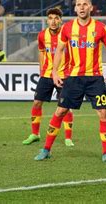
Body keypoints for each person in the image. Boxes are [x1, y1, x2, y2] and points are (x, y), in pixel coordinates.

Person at [34, 0, 106, 164]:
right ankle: (46, 149)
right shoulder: (67, 28)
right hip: (73, 78)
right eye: (78, 5)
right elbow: (59, 50)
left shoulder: (101, 28)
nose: (81, 7)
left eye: (85, 4)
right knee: (60, 111)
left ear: (91, 7)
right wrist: (55, 72)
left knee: (103, 114)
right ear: (75, 9)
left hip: (95, 78)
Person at [23, 8, 75, 147]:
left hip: (63, 75)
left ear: (60, 20)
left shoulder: (67, 34)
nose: (53, 21)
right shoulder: (41, 35)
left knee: (65, 107)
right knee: (36, 103)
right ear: (47, 20)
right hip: (46, 75)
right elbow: (41, 52)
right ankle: (35, 134)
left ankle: (68, 138)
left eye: (56, 18)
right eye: (50, 18)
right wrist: (41, 69)